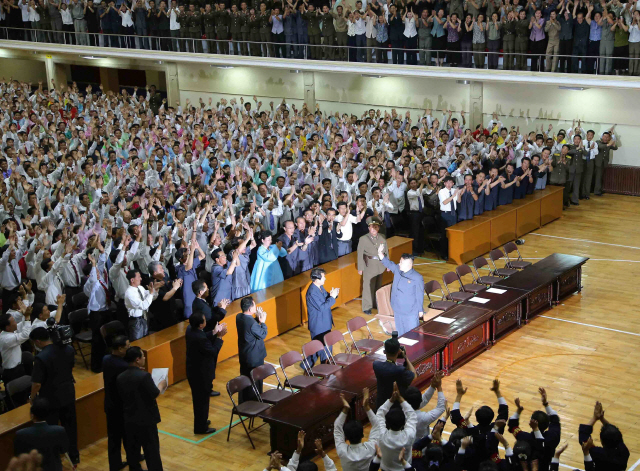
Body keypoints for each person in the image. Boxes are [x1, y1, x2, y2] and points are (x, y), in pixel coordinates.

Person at [28, 327, 79, 465]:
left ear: (37, 341)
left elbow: (37, 384)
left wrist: (32, 398)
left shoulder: (41, 357)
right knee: (71, 426)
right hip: (68, 392)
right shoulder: (68, 349)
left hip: (51, 398)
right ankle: (74, 455)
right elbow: (70, 367)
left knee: (51, 429)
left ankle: (55, 457)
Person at [117, 346, 167, 471]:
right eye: (142, 356)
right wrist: (161, 385)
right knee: (152, 451)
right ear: (137, 359)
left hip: (129, 418)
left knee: (133, 450)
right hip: (146, 420)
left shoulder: (120, 377)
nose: (144, 358)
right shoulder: (144, 376)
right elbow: (154, 393)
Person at [186, 311, 227, 434]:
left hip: (194, 371)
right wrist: (219, 337)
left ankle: (202, 421)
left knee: (200, 400)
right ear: (200, 325)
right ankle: (200, 427)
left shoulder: (190, 330)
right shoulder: (200, 338)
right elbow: (213, 351)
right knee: (202, 401)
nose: (206, 321)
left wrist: (214, 332)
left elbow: (203, 337)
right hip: (201, 374)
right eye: (204, 320)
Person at [102, 335, 132, 471]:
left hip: (109, 404)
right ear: (120, 349)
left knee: (113, 438)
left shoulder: (106, 359)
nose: (129, 349)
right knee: (128, 436)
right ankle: (133, 459)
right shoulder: (123, 366)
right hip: (122, 407)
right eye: (128, 347)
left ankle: (115, 464)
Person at [377, 248, 424, 336]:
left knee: (412, 336)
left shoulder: (417, 277)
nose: (399, 264)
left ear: (409, 264)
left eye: (402, 262)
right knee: (401, 335)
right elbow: (388, 263)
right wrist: (380, 253)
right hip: (397, 310)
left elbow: (419, 294)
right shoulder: (398, 270)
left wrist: (420, 310)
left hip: (410, 312)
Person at [14, 397, 68, 471]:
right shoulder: (59, 430)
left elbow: (19, 456)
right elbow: (63, 450)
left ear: (32, 415)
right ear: (48, 414)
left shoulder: (20, 434)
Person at [334, 387, 381, 471]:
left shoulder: (342, 450)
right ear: (363, 435)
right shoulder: (370, 448)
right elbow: (377, 425)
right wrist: (366, 407)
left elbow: (337, 426)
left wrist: (345, 409)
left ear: (346, 438)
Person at [375, 382, 418, 471]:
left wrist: (391, 399)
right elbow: (412, 415)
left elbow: (379, 414)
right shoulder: (408, 436)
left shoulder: (382, 435)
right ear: (403, 424)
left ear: (387, 423)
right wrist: (400, 398)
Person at [579, 401, 629, 470]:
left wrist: (595, 417)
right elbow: (617, 436)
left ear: (602, 441)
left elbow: (583, 437)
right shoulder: (624, 452)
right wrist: (602, 418)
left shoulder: (598, 454)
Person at [305, 268, 339, 366]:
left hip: (325, 323)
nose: (325, 279)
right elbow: (322, 307)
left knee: (325, 346)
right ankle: (324, 369)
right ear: (317, 279)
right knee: (322, 348)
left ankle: (308, 366)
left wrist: (334, 295)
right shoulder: (312, 292)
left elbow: (326, 297)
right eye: (324, 277)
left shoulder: (320, 287)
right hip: (318, 326)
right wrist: (332, 297)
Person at [236, 296, 267, 402]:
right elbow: (263, 334)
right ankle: (254, 403)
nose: (256, 307)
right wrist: (262, 322)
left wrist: (257, 319)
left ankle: (243, 401)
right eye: (254, 305)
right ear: (250, 309)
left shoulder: (239, 317)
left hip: (244, 355)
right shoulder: (252, 324)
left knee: (244, 378)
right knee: (255, 380)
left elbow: (251, 326)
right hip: (254, 357)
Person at [372, 337, 415, 409]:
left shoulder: (376, 365)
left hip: (381, 406)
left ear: (384, 352)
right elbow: (414, 375)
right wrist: (405, 357)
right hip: (396, 407)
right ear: (399, 352)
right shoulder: (400, 370)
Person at [357, 216, 388, 315]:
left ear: (378, 228)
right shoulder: (363, 239)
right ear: (368, 228)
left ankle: (376, 304)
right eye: (372, 227)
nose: (373, 229)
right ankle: (367, 306)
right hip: (369, 265)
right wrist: (360, 268)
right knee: (368, 286)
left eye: (376, 227)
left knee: (378, 286)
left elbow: (386, 252)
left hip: (380, 265)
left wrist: (388, 264)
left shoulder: (382, 237)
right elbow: (360, 254)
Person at [124, 269, 158, 340]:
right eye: (139, 277)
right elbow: (143, 305)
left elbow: (150, 297)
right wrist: (151, 293)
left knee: (145, 340)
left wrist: (154, 290)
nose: (141, 278)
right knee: (138, 342)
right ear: (132, 280)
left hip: (144, 318)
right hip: (135, 322)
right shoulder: (129, 293)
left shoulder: (140, 288)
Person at [0, 313, 32, 386]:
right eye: (14, 321)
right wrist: (27, 318)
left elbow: (22, 324)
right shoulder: (6, 339)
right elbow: (26, 334)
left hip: (18, 368)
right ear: (7, 327)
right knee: (15, 396)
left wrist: (25, 314)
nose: (16, 323)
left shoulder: (9, 331)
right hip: (12, 372)